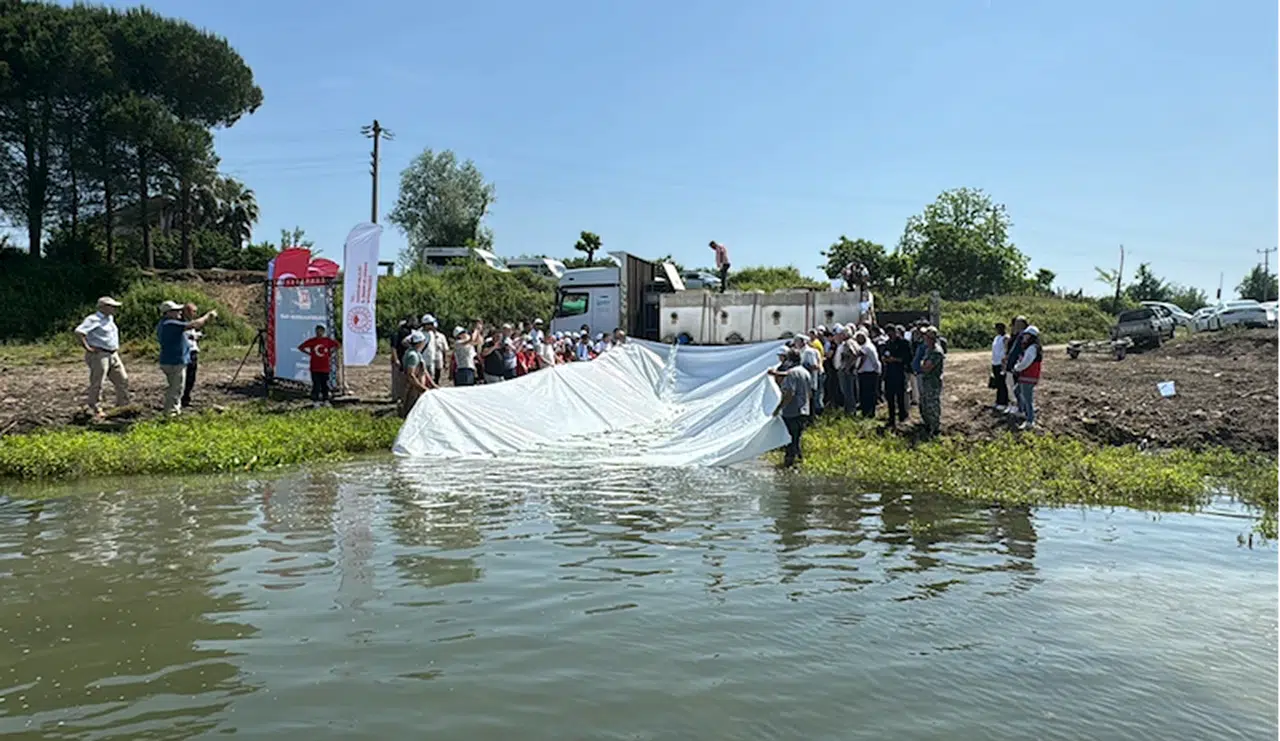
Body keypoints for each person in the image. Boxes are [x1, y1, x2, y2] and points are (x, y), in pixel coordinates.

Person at [157, 300, 216, 416]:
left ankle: (173, 410)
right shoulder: (170, 324)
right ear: (168, 313)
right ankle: (171, 413)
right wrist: (207, 316)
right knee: (176, 389)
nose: (179, 312)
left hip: (172, 360)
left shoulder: (166, 324)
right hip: (175, 361)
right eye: (176, 310)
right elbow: (195, 324)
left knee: (176, 387)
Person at [74, 296, 129, 418]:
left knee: (122, 379)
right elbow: (79, 332)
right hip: (99, 355)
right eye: (112, 306)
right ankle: (95, 408)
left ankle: (123, 406)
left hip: (113, 353)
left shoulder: (110, 319)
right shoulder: (93, 319)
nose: (115, 309)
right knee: (98, 382)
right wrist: (88, 348)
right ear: (103, 307)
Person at [772, 349, 813, 468]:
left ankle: (788, 464)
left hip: (792, 411)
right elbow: (809, 393)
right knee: (797, 438)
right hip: (804, 409)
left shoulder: (791, 373)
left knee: (790, 439)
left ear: (789, 360)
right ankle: (799, 461)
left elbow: (790, 393)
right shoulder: (805, 372)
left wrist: (779, 407)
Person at [298, 324, 341, 406]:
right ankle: (316, 401)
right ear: (315, 331)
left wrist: (330, 353)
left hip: (325, 367)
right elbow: (301, 347)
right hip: (315, 367)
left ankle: (326, 400)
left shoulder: (327, 340)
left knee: (325, 385)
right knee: (316, 385)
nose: (319, 332)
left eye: (321, 330)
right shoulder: (312, 341)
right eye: (318, 330)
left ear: (324, 331)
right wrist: (310, 353)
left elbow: (338, 345)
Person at [1012, 326, 1042, 430]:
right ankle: (1022, 411)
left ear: (1031, 337)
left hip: (1029, 377)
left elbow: (1026, 362)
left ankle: (1030, 420)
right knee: (1016, 391)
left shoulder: (1032, 348)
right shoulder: (1029, 347)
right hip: (1025, 376)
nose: (1024, 337)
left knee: (1027, 399)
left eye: (1026, 335)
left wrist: (1017, 368)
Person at [881, 325, 911, 427]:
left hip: (899, 372)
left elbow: (907, 358)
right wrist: (885, 359)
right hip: (889, 373)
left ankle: (903, 416)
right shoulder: (887, 343)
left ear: (895, 332)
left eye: (891, 333)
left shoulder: (904, 343)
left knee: (900, 396)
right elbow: (884, 354)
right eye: (888, 334)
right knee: (890, 397)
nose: (890, 336)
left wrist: (895, 359)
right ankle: (891, 417)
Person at [400, 330, 435, 416]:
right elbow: (411, 375)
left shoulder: (417, 353)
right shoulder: (413, 355)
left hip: (418, 386)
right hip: (413, 387)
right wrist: (422, 388)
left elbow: (424, 371)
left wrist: (432, 385)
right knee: (411, 408)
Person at [918, 326, 945, 436]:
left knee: (932, 405)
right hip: (926, 380)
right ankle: (928, 425)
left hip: (932, 382)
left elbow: (927, 367)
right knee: (924, 404)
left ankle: (934, 428)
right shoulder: (929, 349)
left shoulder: (936, 351)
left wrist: (922, 364)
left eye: (926, 337)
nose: (924, 338)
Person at [1003, 315, 1029, 417]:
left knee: (1018, 388)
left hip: (1018, 366)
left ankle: (1021, 407)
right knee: (1011, 386)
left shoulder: (1024, 336)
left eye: (1017, 324)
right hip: (1011, 365)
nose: (1014, 327)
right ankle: (1015, 405)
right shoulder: (1016, 336)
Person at [853, 331, 881, 418]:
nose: (858, 340)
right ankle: (865, 411)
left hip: (869, 372)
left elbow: (862, 359)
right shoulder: (864, 346)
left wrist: (856, 368)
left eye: (860, 338)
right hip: (865, 372)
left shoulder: (867, 347)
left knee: (869, 394)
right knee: (864, 393)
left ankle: (870, 413)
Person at [181, 303, 203, 409]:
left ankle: (186, 397)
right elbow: (185, 335)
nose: (194, 314)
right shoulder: (181, 322)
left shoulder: (190, 322)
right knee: (183, 376)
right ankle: (181, 398)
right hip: (185, 351)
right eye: (192, 311)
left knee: (191, 376)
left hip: (193, 350)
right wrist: (194, 336)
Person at [390, 315, 417, 402]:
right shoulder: (396, 334)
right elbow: (393, 347)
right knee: (397, 379)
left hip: (405, 358)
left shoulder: (409, 332)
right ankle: (396, 396)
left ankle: (402, 396)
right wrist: (396, 359)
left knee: (403, 378)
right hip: (399, 358)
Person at [420, 314, 447, 387]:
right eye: (431, 324)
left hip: (431, 360)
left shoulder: (431, 334)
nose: (432, 326)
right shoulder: (419, 334)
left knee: (431, 378)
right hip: (422, 361)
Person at [990, 322, 1010, 411]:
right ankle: (998, 401)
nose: (996, 330)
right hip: (995, 362)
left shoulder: (1006, 338)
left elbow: (1006, 351)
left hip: (1001, 363)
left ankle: (1004, 402)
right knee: (998, 383)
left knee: (1002, 383)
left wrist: (1004, 363)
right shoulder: (996, 338)